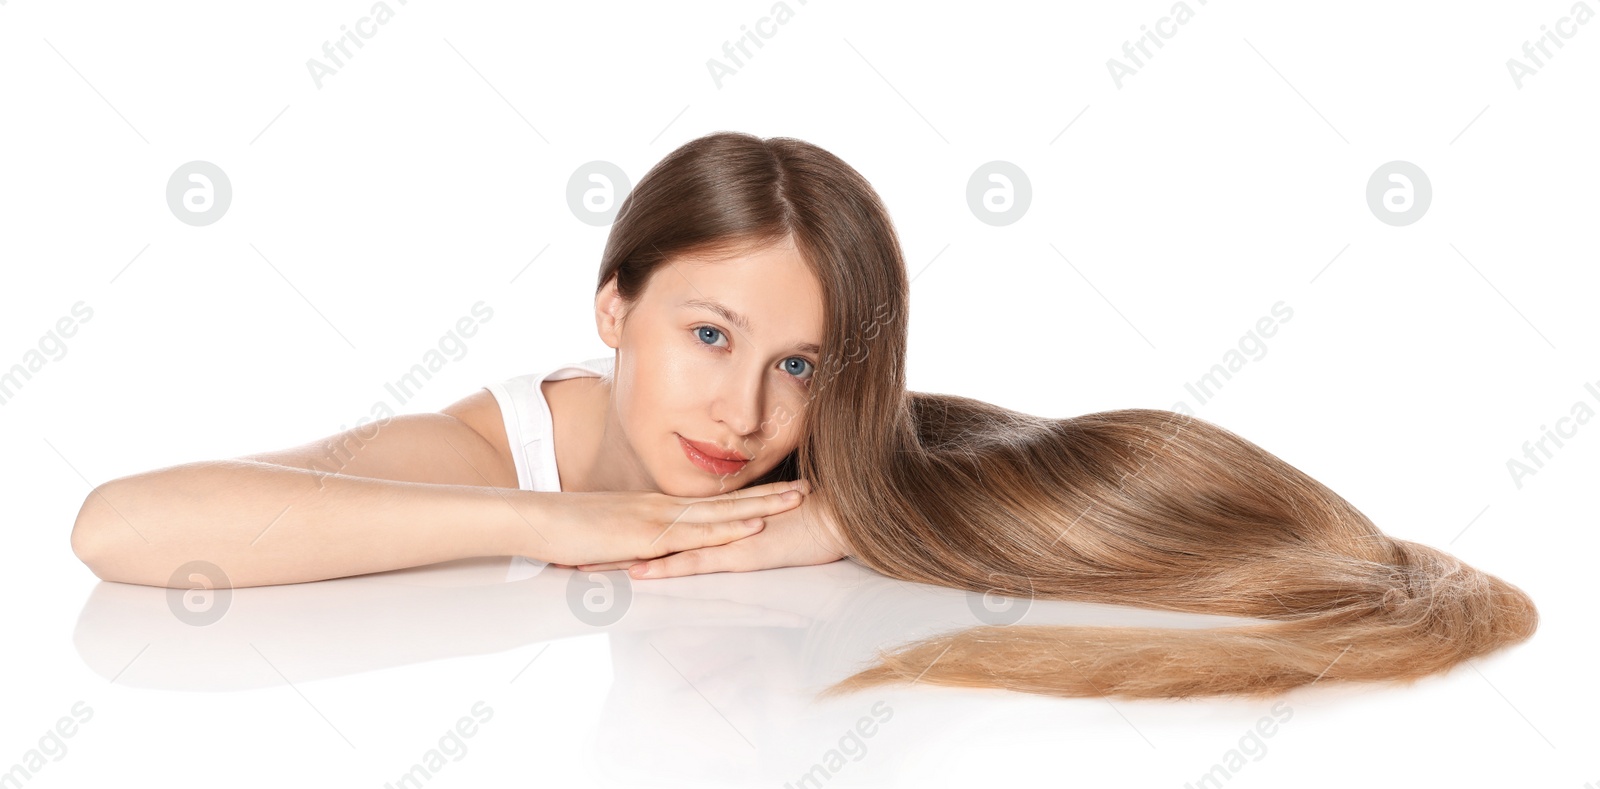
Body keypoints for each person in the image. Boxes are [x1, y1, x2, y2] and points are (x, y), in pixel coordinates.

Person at [71, 131, 1538, 700]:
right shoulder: (490, 446)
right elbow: (120, 526)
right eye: (708, 334)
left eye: (806, 365)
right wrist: (570, 523)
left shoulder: (830, 478)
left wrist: (834, 517)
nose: (745, 407)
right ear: (611, 309)